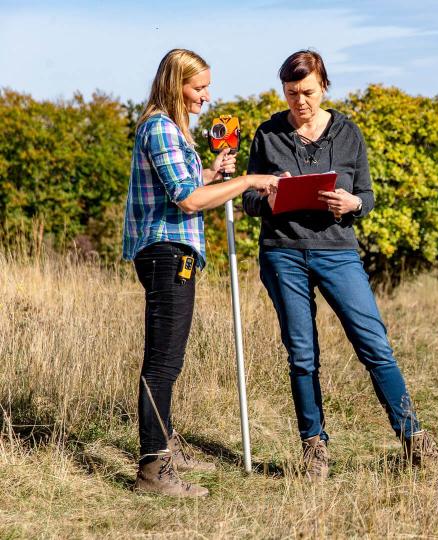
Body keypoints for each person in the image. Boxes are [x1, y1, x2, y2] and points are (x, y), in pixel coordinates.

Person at [242, 50, 438, 480]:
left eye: (308, 92)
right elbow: (248, 200)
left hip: (338, 251)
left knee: (374, 344)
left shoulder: (349, 134)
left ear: (324, 86)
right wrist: (268, 199)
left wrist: (352, 204)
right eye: (292, 93)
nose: (300, 102)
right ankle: (314, 448)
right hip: (283, 252)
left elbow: (366, 197)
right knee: (301, 353)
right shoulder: (268, 134)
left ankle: (414, 440)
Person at [122, 48, 279, 497]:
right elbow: (187, 202)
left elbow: (188, 189)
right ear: (176, 85)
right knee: (163, 362)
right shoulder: (161, 129)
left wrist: (212, 174)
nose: (206, 96)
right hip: (167, 253)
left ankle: (165, 445)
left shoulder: (170, 131)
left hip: (171, 251)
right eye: (199, 87)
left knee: (168, 358)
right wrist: (248, 181)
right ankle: (153, 469)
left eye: (208, 86)